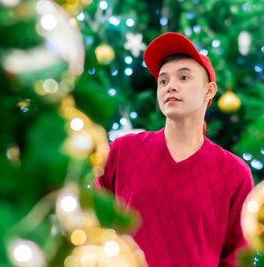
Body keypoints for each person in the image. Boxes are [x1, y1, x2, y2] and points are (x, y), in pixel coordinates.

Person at [94, 32, 254, 267]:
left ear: (209, 91)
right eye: (163, 81)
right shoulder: (121, 151)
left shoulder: (234, 173)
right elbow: (92, 225)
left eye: (184, 77)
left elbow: (237, 258)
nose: (171, 86)